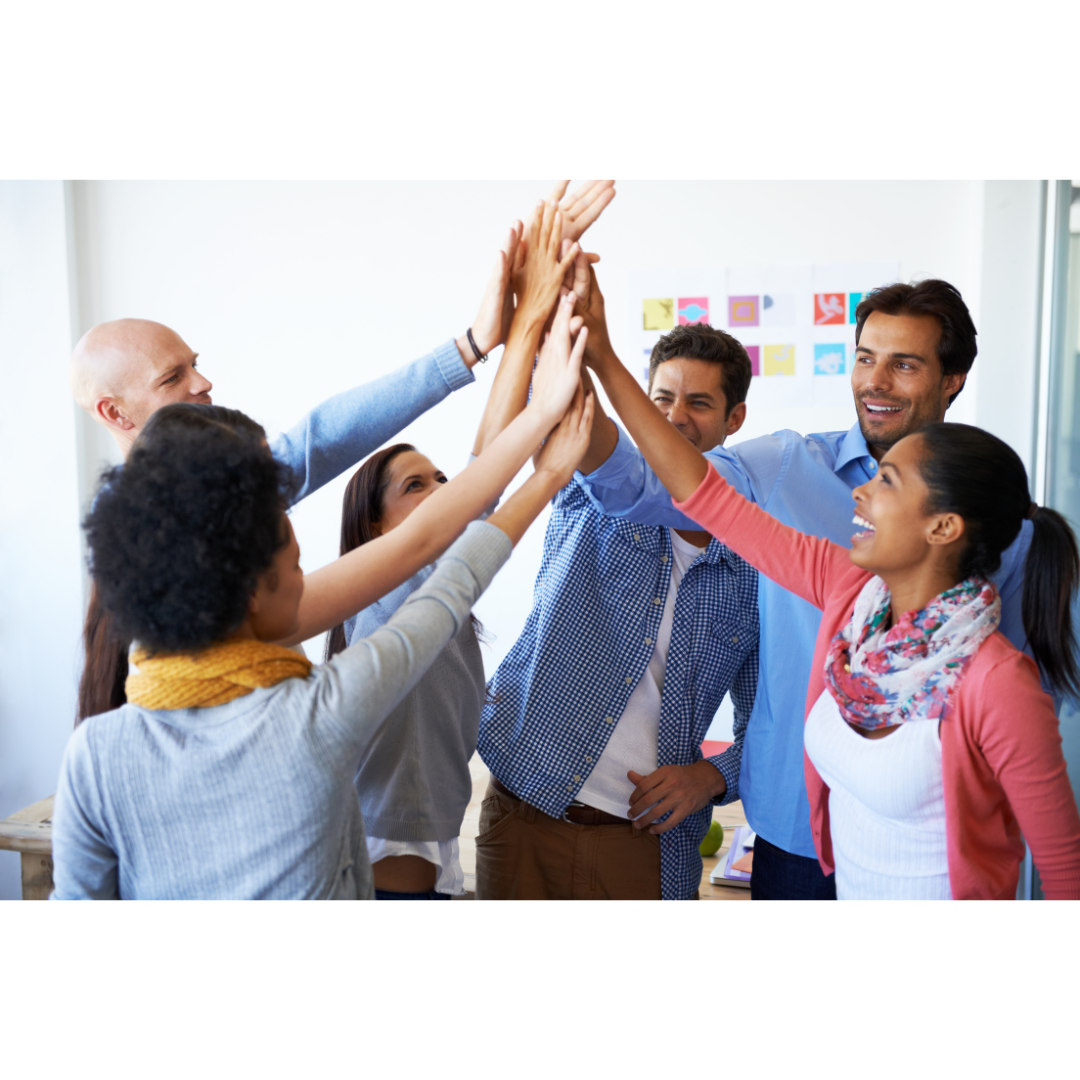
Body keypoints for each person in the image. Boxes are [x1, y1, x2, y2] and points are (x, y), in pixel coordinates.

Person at [49, 294, 596, 900]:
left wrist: (478, 348)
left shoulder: (96, 753)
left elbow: (337, 458)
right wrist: (544, 457)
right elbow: (440, 560)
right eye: (294, 562)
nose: (202, 383)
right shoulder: (317, 716)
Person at [70, 180, 616, 721]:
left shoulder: (113, 743)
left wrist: (475, 344)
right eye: (173, 377)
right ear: (115, 414)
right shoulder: (308, 704)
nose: (204, 382)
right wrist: (539, 424)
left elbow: (323, 439)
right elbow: (432, 538)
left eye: (196, 363)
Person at [578, 273, 1036, 900]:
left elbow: (1021, 713)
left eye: (903, 364)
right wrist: (591, 360)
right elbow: (652, 488)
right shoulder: (790, 473)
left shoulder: (1001, 527)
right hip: (799, 833)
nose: (876, 381)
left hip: (933, 853)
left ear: (951, 379)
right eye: (866, 359)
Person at [473, 250, 760, 900]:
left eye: (699, 403)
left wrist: (712, 778)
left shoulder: (756, 561)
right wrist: (552, 295)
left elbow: (765, 720)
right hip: (524, 812)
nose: (676, 415)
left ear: (734, 419)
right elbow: (572, 407)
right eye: (661, 397)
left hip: (645, 844)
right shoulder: (600, 485)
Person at [322, 205, 581, 900]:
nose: (443, 490)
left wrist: (534, 319)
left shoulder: (434, 603)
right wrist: (525, 325)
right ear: (375, 532)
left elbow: (479, 474)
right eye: (416, 486)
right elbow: (484, 472)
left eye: (440, 480)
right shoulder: (384, 596)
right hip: (392, 844)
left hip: (424, 835)